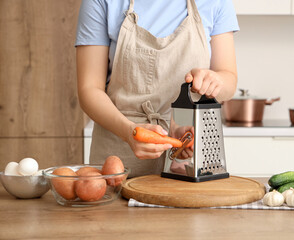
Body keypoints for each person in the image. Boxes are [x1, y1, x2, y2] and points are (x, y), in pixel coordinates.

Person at [76, 0, 239, 177]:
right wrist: (129, 132)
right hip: (118, 157)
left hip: (187, 156)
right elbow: (89, 89)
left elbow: (228, 80)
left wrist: (214, 81)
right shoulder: (102, 2)